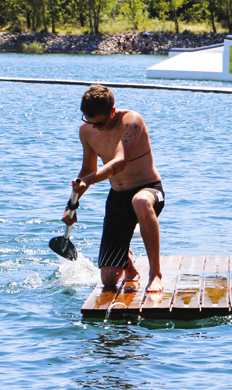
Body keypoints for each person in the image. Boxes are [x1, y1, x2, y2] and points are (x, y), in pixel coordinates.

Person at [63, 85, 165, 293]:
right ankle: (130, 267)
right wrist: (71, 205)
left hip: (149, 190)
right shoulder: (86, 130)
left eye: (100, 122)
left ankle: (155, 275)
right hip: (118, 196)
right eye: (88, 120)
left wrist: (88, 181)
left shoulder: (131, 121)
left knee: (141, 201)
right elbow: (87, 170)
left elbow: (119, 162)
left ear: (112, 111)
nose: (95, 127)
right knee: (109, 280)